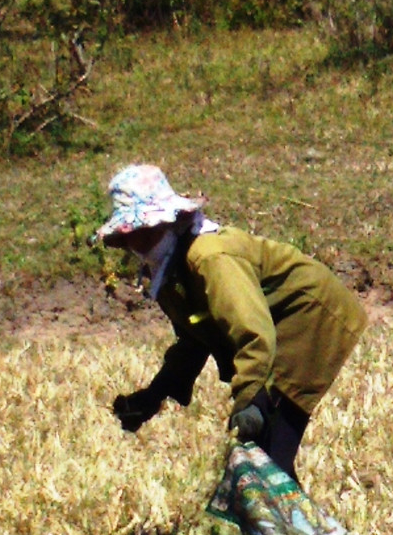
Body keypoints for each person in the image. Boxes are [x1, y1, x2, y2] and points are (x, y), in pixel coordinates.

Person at [93, 164, 367, 482]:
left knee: (263, 456)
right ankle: (290, 528)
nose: (136, 241)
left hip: (307, 319)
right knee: (259, 458)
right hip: (271, 329)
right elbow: (195, 340)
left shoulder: (210, 257)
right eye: (130, 235)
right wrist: (156, 393)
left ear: (171, 220)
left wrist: (251, 397)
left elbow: (252, 327)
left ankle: (286, 529)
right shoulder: (170, 272)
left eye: (145, 229)